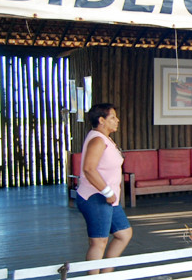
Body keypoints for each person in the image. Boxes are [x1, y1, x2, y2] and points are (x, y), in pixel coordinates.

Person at [76, 103, 132, 274]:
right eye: (113, 117)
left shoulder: (104, 138)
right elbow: (88, 169)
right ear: (101, 120)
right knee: (98, 242)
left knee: (124, 234)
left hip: (108, 199)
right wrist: (108, 192)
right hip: (96, 197)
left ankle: (105, 276)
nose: (117, 120)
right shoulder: (97, 140)